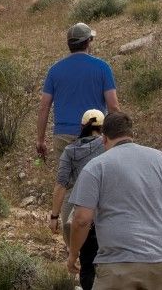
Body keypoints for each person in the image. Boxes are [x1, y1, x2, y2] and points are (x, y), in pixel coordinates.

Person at [67, 112, 162, 290]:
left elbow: (82, 219)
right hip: (160, 262)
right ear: (131, 135)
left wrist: (73, 254)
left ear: (104, 138)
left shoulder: (96, 166)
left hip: (117, 263)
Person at [36, 22, 120, 230]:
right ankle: (96, 237)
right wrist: (120, 136)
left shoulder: (55, 70)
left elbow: (44, 107)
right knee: (98, 184)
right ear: (88, 42)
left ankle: (70, 240)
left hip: (63, 133)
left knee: (68, 186)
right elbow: (113, 105)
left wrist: (40, 139)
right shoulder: (102, 68)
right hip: (94, 134)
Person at [52, 109, 106, 290]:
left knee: (80, 256)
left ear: (82, 126)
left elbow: (60, 185)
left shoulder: (70, 150)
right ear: (103, 127)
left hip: (74, 208)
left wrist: (54, 216)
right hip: (102, 207)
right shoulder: (107, 146)